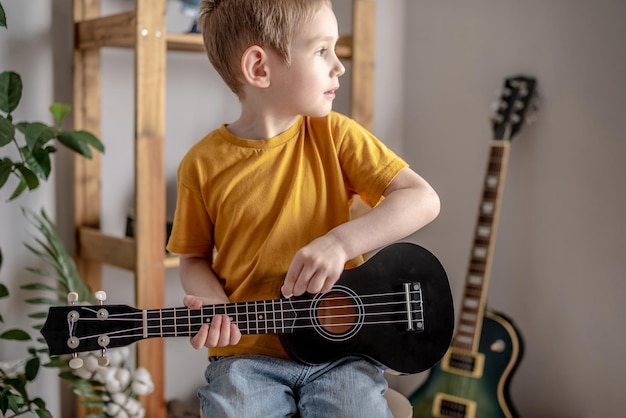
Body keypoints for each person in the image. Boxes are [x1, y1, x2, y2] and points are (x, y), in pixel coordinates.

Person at [166, 0, 440, 416]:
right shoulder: (201, 165)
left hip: (342, 350)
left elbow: (422, 199)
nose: (339, 66)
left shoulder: (336, 135)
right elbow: (193, 258)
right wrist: (213, 302)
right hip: (248, 356)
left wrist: (338, 243)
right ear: (259, 67)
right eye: (321, 50)